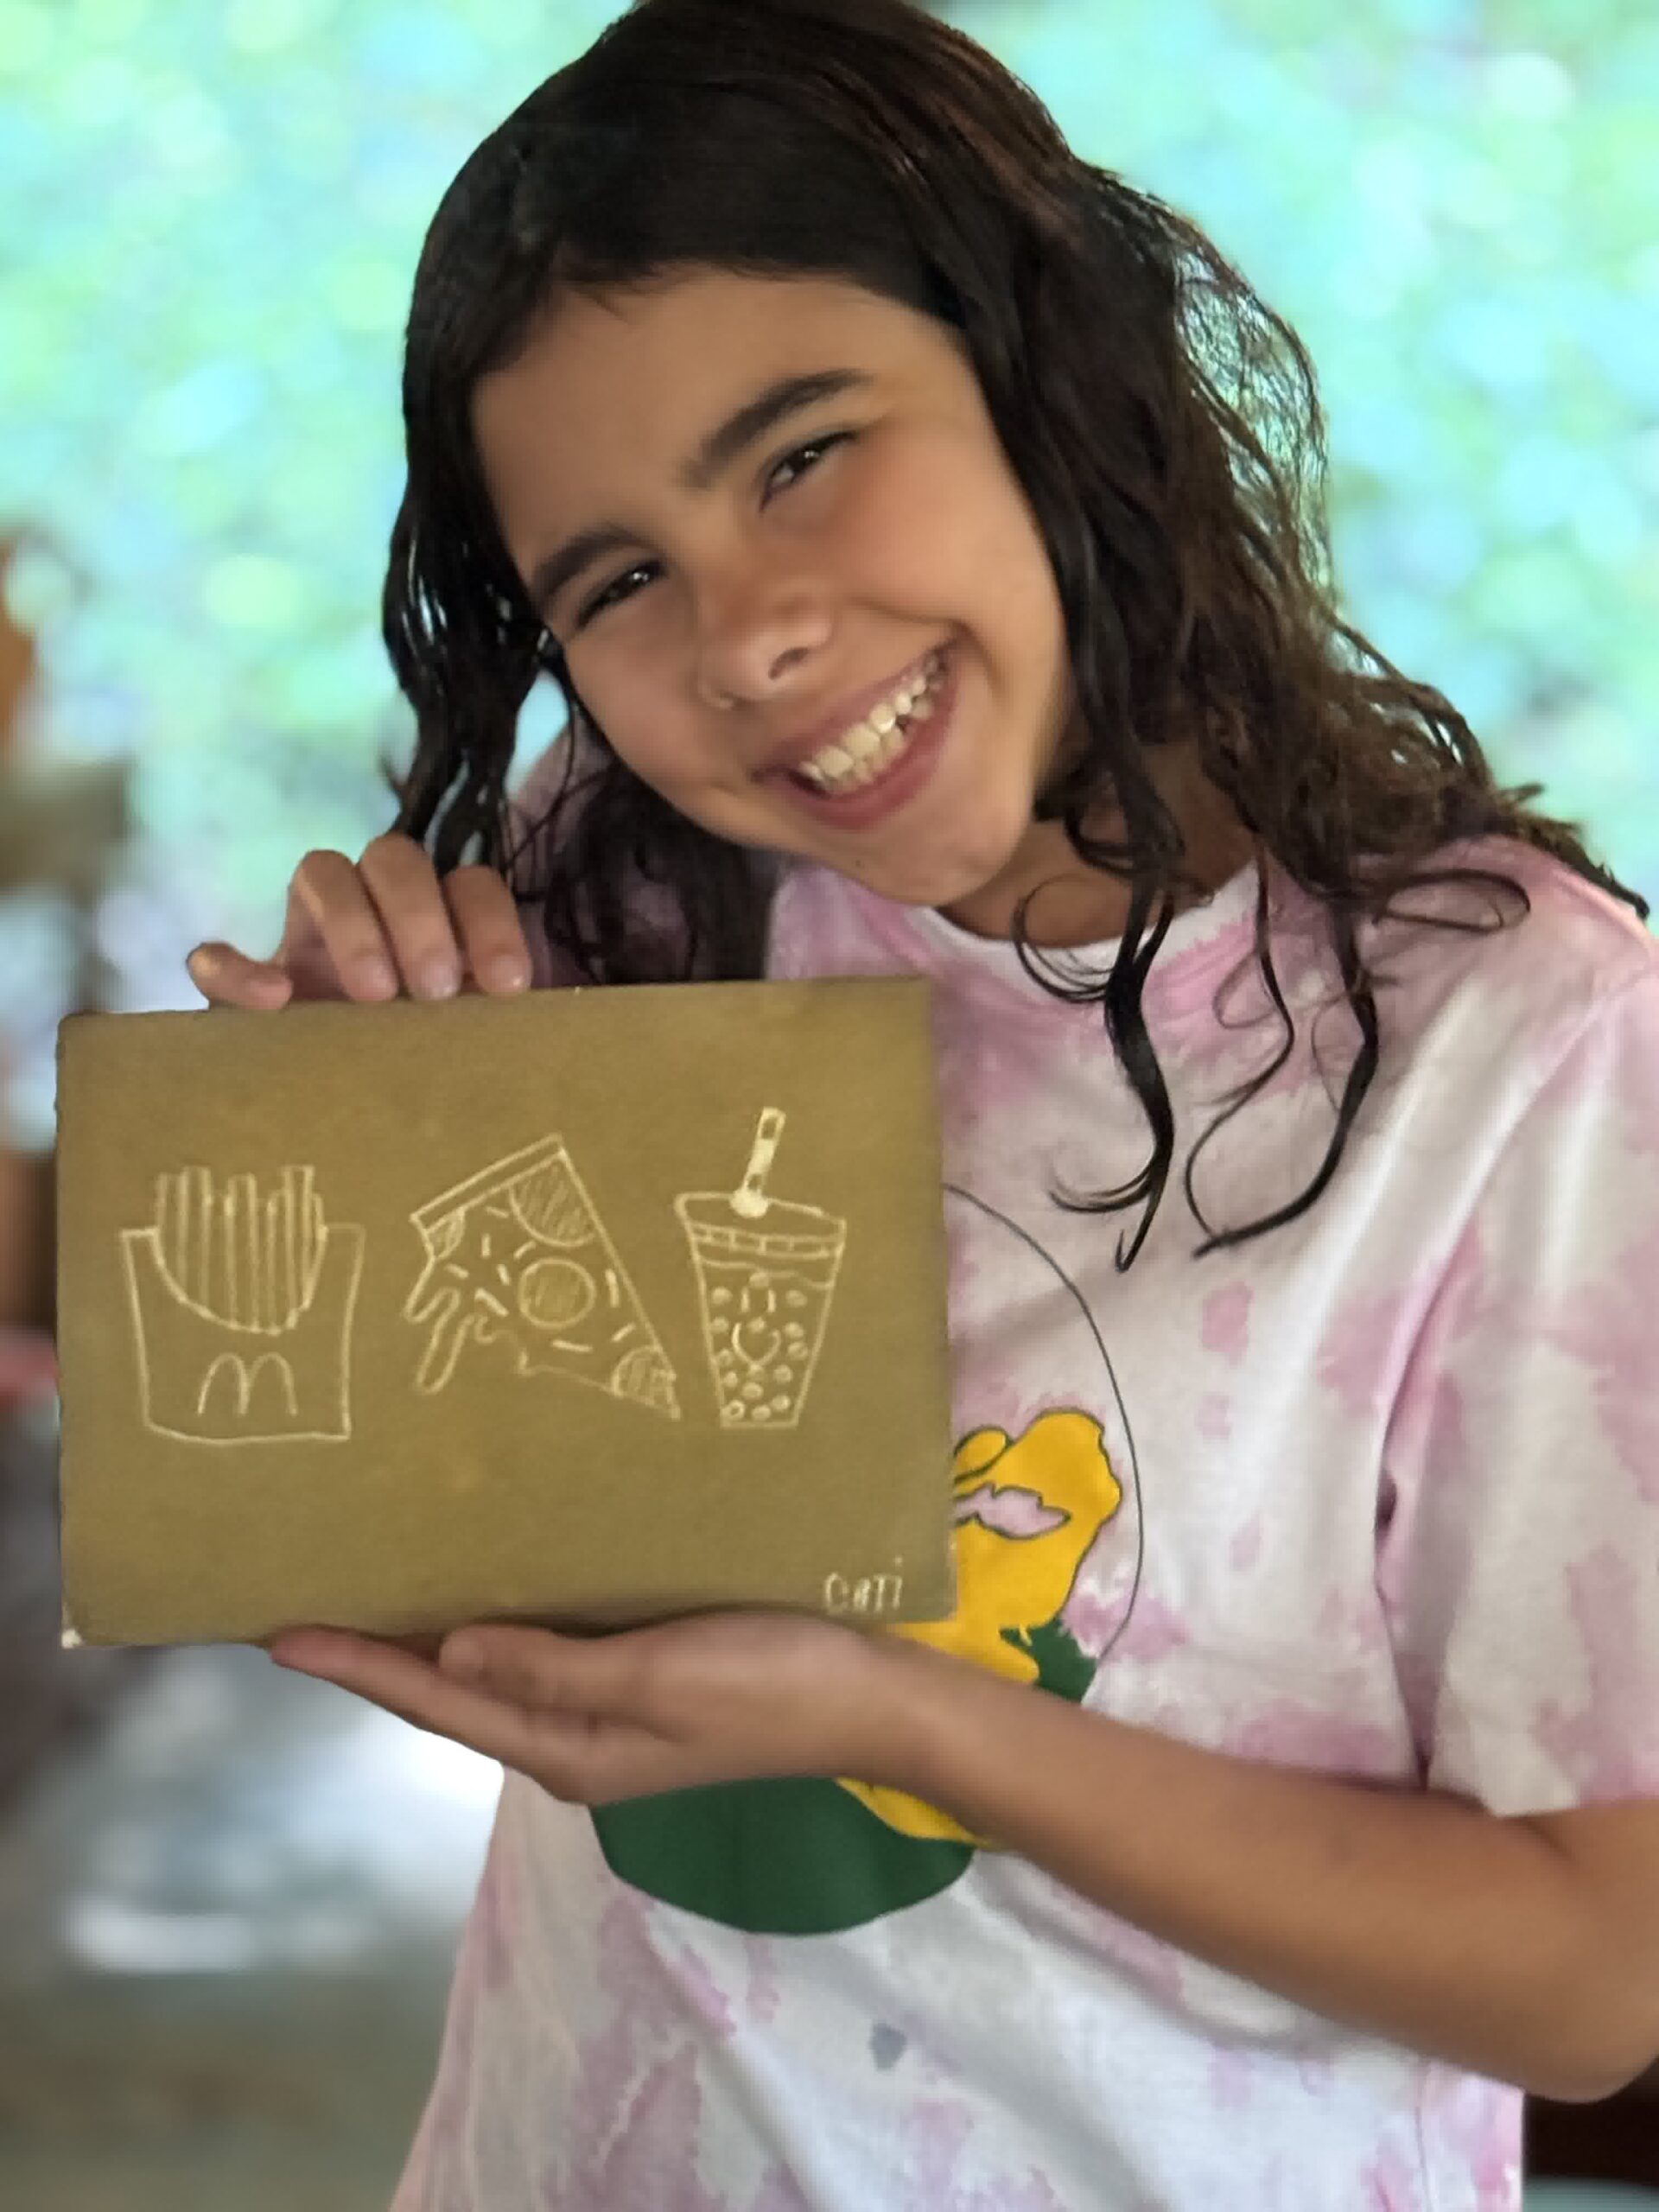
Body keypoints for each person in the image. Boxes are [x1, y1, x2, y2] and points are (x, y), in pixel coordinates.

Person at [188, 1, 1659, 2203]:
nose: (749, 636)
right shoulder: (637, 882)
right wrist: (356, 1174)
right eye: (620, 578)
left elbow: (1593, 1975)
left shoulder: (1525, 1046)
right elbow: (464, 1552)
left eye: (801, 455)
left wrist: (903, 1717)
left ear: (1053, 370)